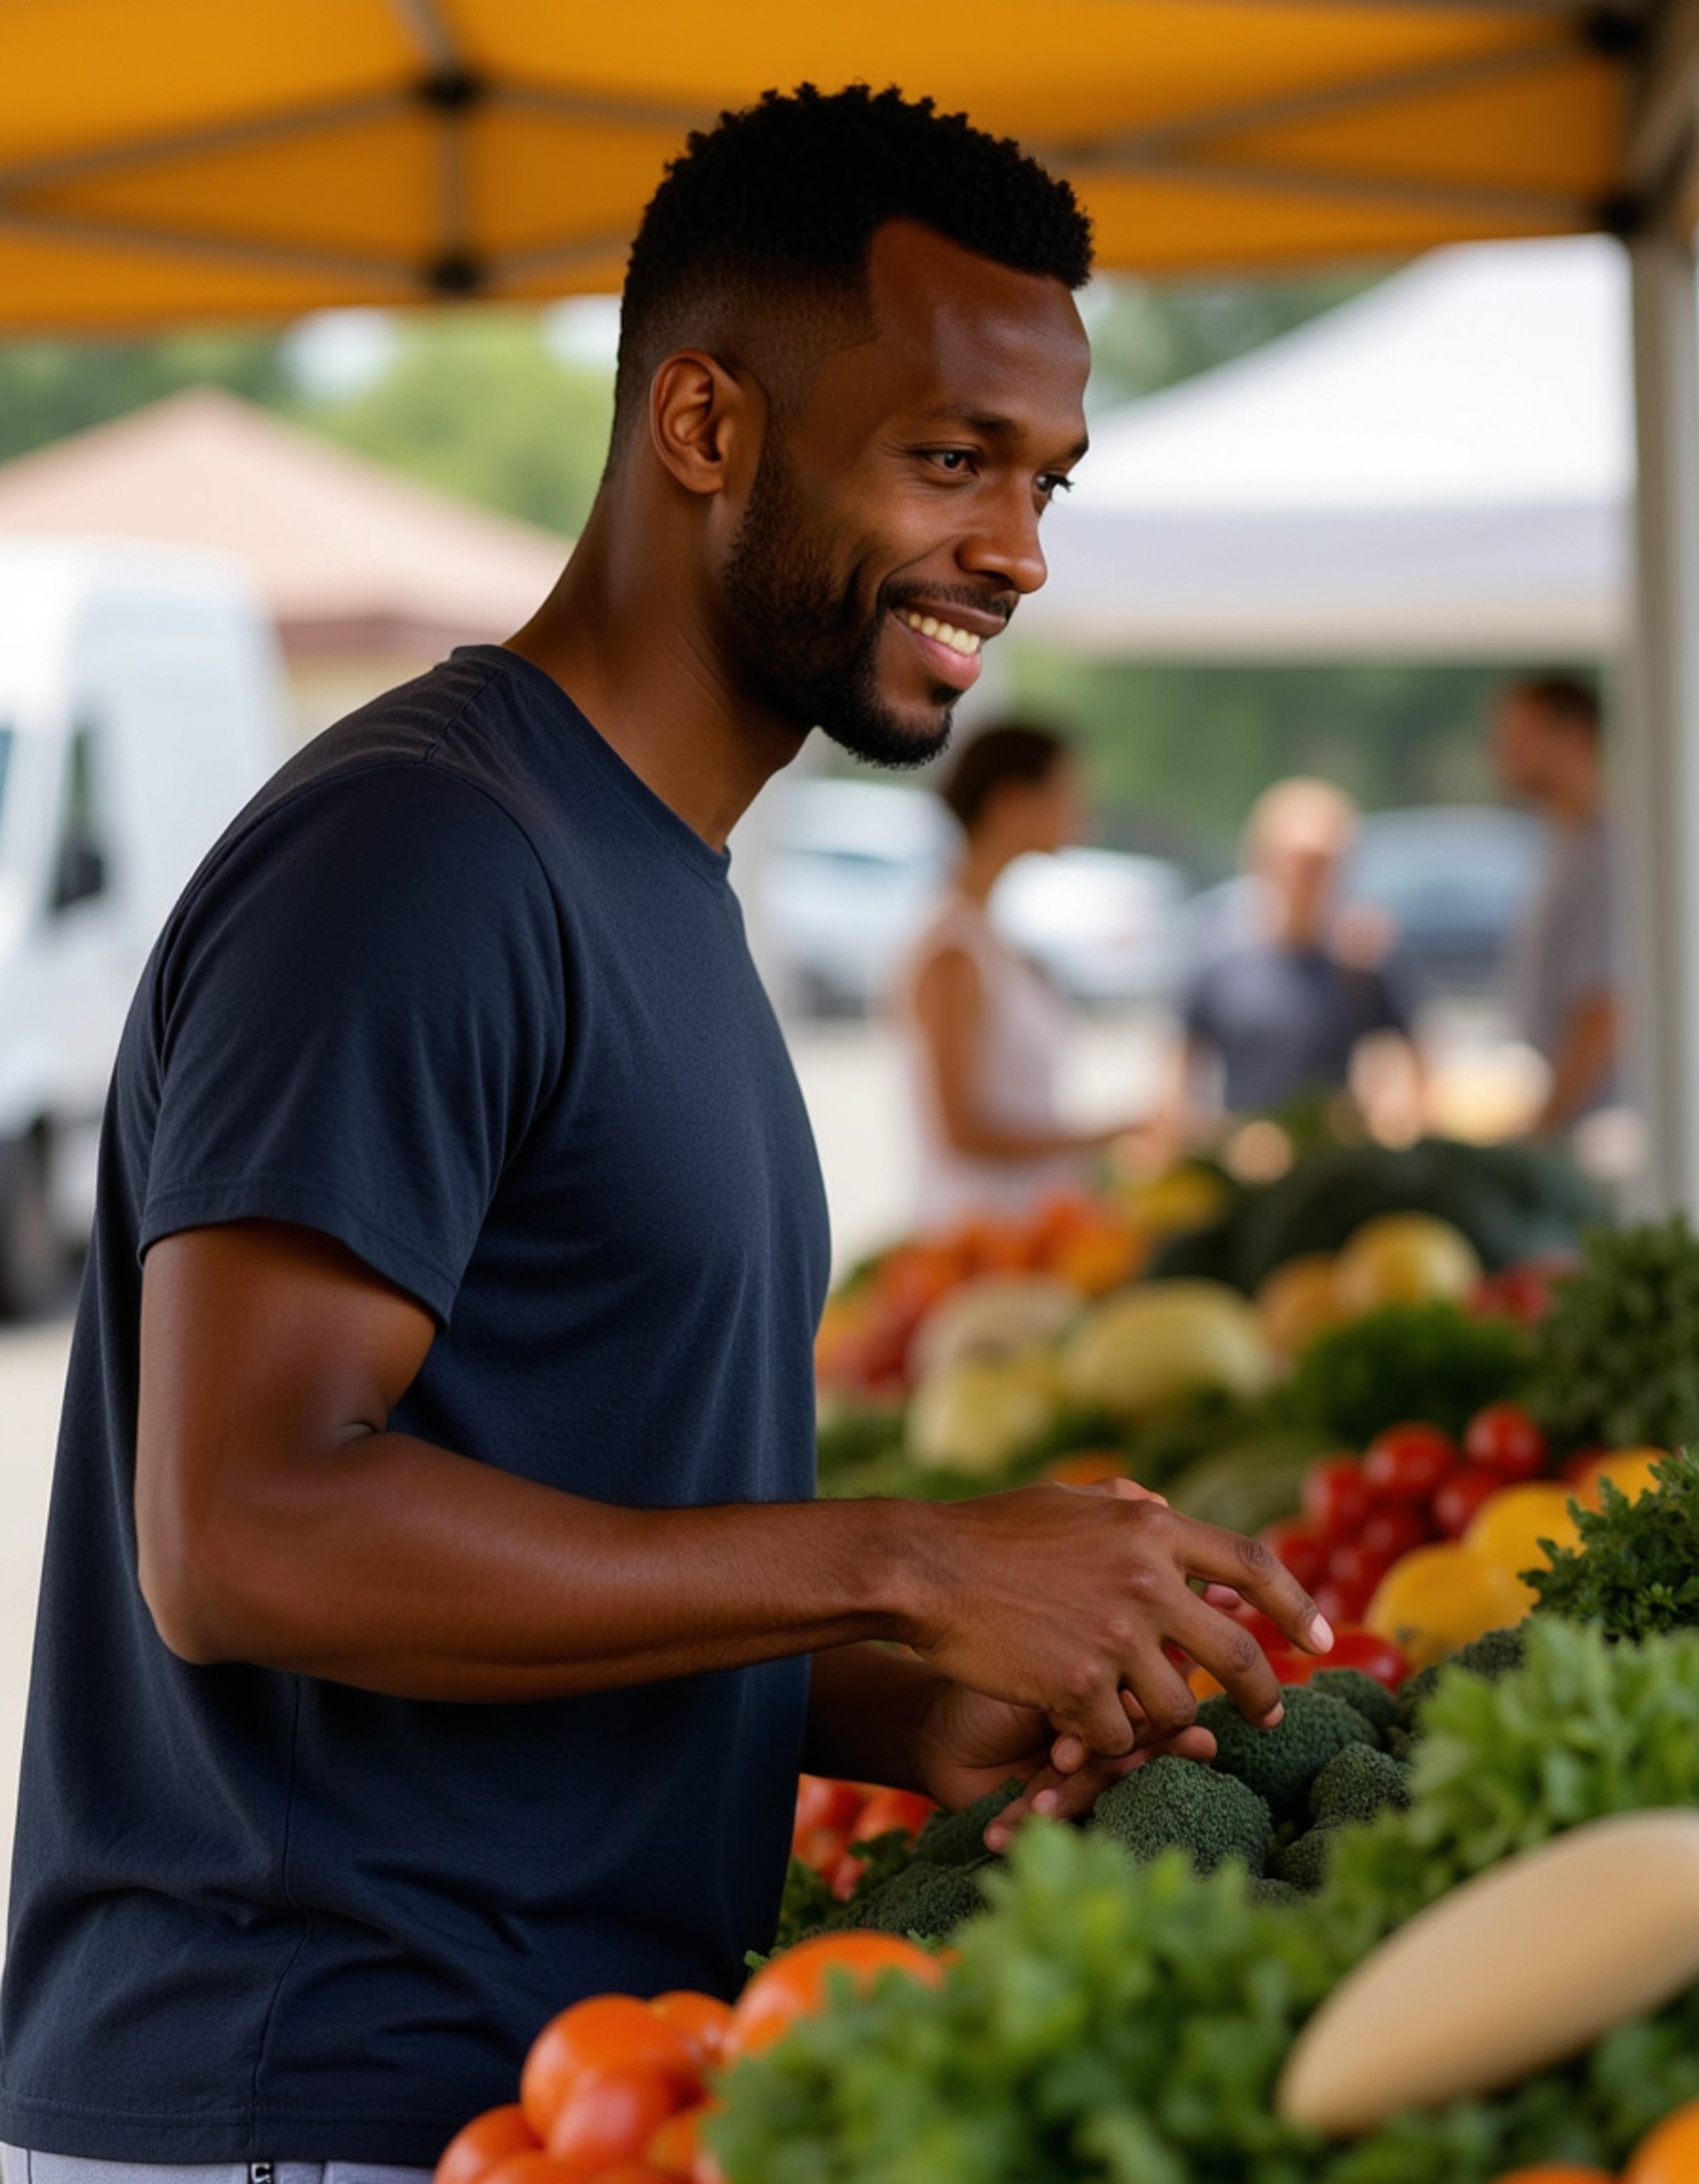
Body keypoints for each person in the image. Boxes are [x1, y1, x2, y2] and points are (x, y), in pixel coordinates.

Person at [0, 84, 1328, 2183]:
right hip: (312, 2102)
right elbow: (244, 1534)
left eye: (1045, 479)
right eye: (947, 457)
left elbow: (551, 1512)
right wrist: (901, 1560)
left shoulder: (649, 877)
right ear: (702, 429)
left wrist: (891, 1704)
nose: (1016, 548)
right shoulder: (422, 852)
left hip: (548, 2091)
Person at [900, 722, 1140, 1228]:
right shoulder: (954, 953)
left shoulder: (988, 941)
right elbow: (959, 1131)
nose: (1081, 813)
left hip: (1021, 1237)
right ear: (1010, 802)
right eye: (1064, 793)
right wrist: (1102, 1136)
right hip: (976, 1248)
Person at [1171, 777, 1421, 1137]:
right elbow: (1178, 1081)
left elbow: (1409, 1067)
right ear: (1263, 858)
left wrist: (1386, 1118)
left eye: (1324, 864)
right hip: (1244, 1161)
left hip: (1337, 1161)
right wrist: (1216, 1141)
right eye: (1300, 862)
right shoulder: (1221, 959)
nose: (1310, 879)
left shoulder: (1363, 960)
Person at [1493, 672, 1618, 1132]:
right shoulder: (1557, 845)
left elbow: (1605, 1008)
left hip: (1595, 1129)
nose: (1503, 752)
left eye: (1520, 735)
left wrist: (1543, 1127)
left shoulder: (1604, 852)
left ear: (1574, 737)